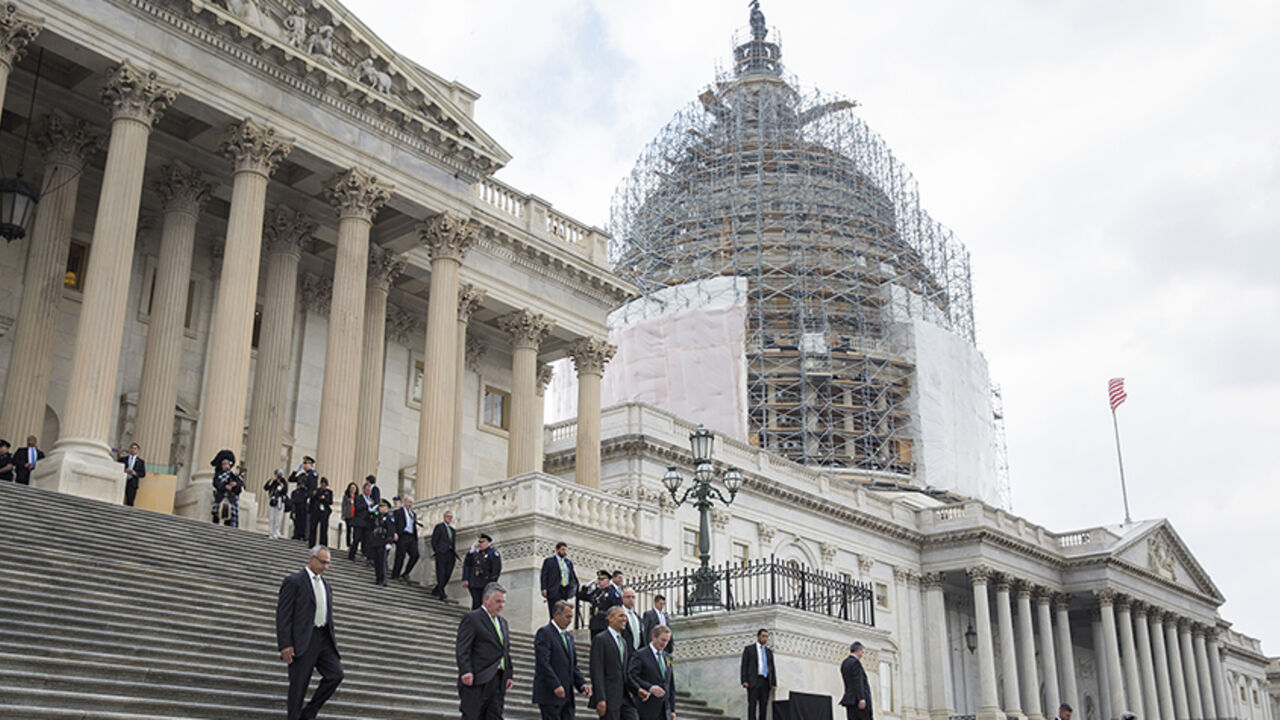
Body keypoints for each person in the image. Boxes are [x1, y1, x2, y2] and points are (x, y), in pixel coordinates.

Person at [275, 545, 343, 720]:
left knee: (335, 674)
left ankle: (310, 712)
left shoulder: (326, 585)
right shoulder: (294, 581)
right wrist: (285, 644)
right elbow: (284, 614)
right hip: (303, 638)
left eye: (328, 563)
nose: (325, 567)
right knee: (298, 686)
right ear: (311, 559)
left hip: (324, 638)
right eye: (322, 562)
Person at [456, 582, 514, 720]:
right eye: (498, 601)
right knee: (473, 715)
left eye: (503, 602)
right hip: (478, 677)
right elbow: (463, 647)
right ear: (486, 599)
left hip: (498, 680)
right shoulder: (472, 618)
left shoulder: (503, 622)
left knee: (495, 716)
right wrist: (465, 670)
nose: (501, 606)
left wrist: (509, 673)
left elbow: (505, 649)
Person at [533, 600, 592, 720]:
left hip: (567, 695)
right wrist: (555, 685)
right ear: (556, 615)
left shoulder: (569, 637)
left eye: (571, 617)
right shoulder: (545, 633)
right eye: (567, 617)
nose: (570, 620)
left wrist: (582, 684)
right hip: (550, 694)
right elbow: (543, 663)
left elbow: (572, 666)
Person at [590, 606, 637, 720]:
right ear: (610, 618)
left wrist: (637, 689)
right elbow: (597, 671)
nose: (624, 619)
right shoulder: (600, 639)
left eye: (625, 616)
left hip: (625, 697)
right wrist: (600, 698)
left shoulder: (624, 642)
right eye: (621, 615)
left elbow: (624, 671)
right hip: (609, 698)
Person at [627, 624, 675, 720]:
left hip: (664, 711)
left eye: (667, 641)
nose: (665, 644)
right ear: (654, 637)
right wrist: (649, 687)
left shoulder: (668, 657)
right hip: (646, 708)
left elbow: (670, 684)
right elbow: (632, 676)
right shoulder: (640, 655)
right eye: (663, 640)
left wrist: (672, 709)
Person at [740, 629, 777, 720]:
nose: (765, 639)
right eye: (763, 636)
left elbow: (772, 668)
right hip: (754, 681)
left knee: (763, 705)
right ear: (758, 636)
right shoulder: (749, 649)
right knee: (752, 705)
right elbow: (744, 665)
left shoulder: (768, 652)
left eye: (766, 637)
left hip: (765, 681)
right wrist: (744, 680)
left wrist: (774, 683)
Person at [540, 541, 580, 620]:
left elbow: (572, 575)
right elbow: (544, 575)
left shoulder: (568, 562)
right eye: (562, 550)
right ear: (557, 550)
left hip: (565, 589)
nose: (564, 552)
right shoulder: (549, 561)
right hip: (554, 588)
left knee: (563, 609)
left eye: (565, 550)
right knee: (554, 610)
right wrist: (543, 588)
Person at [462, 533, 502, 610]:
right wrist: (470, 554)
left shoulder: (493, 553)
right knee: (476, 604)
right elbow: (468, 564)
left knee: (484, 604)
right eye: (479, 542)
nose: (480, 545)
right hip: (475, 583)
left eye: (482, 542)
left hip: (486, 583)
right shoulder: (476, 554)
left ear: (487, 543)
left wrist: (491, 582)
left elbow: (496, 569)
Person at [390, 496, 420, 583]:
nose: (410, 504)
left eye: (411, 503)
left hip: (411, 536)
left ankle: (406, 573)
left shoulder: (413, 514)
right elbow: (394, 524)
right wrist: (394, 533)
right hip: (402, 535)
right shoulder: (398, 512)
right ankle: (395, 574)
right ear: (405, 502)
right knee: (400, 555)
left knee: (415, 555)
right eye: (409, 502)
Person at [430, 510, 459, 600]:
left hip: (450, 554)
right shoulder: (439, 527)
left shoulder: (452, 530)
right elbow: (434, 540)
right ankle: (442, 593)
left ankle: (437, 589)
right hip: (441, 553)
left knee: (448, 573)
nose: (449, 519)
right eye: (448, 517)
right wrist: (438, 550)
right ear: (444, 517)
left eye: (451, 517)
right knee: (441, 573)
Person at [840, 641, 872, 720]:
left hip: (849, 699)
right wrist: (861, 698)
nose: (862, 654)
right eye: (862, 652)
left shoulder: (844, 663)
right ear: (858, 650)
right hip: (857, 700)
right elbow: (858, 681)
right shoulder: (855, 663)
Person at [581, 570, 620, 635]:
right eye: (599, 579)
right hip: (594, 624)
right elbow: (582, 596)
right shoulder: (597, 592)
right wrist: (586, 587)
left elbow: (616, 607)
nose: (599, 581)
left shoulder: (612, 592)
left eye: (602, 579)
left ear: (607, 580)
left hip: (605, 624)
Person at [210, 450, 243, 526]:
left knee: (229, 516)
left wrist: (234, 485)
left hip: (230, 498)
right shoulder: (218, 475)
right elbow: (216, 484)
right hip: (220, 496)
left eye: (228, 464)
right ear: (222, 465)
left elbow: (240, 485)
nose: (227, 466)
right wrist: (225, 487)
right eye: (225, 464)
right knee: (216, 515)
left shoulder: (233, 475)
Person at [289, 457, 317, 541]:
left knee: (303, 517)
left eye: (306, 464)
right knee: (296, 517)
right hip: (298, 498)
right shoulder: (302, 475)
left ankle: (302, 534)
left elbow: (312, 488)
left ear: (311, 465)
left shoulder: (313, 475)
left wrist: (308, 497)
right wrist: (295, 471)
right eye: (304, 464)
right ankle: (296, 534)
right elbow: (291, 479)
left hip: (304, 499)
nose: (304, 466)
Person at [370, 498, 395, 586]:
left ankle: (383, 579)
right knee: (376, 561)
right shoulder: (377, 517)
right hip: (376, 541)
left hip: (383, 542)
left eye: (382, 506)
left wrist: (389, 542)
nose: (380, 508)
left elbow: (390, 531)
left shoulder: (389, 518)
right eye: (380, 506)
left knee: (382, 561)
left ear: (387, 508)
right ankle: (378, 578)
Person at [347, 481, 374, 562]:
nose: (369, 492)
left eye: (370, 490)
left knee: (367, 540)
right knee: (356, 538)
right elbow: (358, 507)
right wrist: (366, 505)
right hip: (359, 522)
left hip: (367, 522)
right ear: (364, 490)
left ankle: (366, 555)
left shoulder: (371, 500)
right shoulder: (358, 497)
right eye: (367, 490)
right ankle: (352, 554)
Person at [119, 442, 146, 507]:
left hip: (133, 482)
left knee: (130, 500)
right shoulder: (123, 459)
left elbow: (143, 474)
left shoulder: (140, 462)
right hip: (123, 480)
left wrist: (135, 473)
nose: (133, 450)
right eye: (132, 448)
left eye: (135, 448)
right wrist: (124, 470)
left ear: (138, 450)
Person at [265, 469, 289, 540]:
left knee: (278, 518)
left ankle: (276, 532)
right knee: (271, 517)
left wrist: (280, 483)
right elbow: (266, 487)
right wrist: (272, 480)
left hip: (279, 501)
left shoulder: (283, 481)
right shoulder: (272, 481)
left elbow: (285, 490)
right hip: (272, 499)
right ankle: (271, 532)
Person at [309, 477, 333, 547]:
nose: (323, 486)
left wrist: (324, 498)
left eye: (325, 485)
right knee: (313, 527)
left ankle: (323, 543)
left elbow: (330, 501)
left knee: (324, 528)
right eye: (322, 484)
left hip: (324, 511)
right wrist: (314, 495)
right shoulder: (317, 490)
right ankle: (311, 543)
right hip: (316, 510)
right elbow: (312, 499)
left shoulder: (329, 492)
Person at [339, 482, 359, 550]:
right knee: (348, 530)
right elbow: (343, 506)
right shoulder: (346, 496)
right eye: (351, 488)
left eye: (354, 488)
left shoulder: (357, 497)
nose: (353, 489)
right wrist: (343, 515)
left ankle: (354, 544)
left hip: (355, 516)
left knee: (355, 532)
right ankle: (348, 544)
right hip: (348, 515)